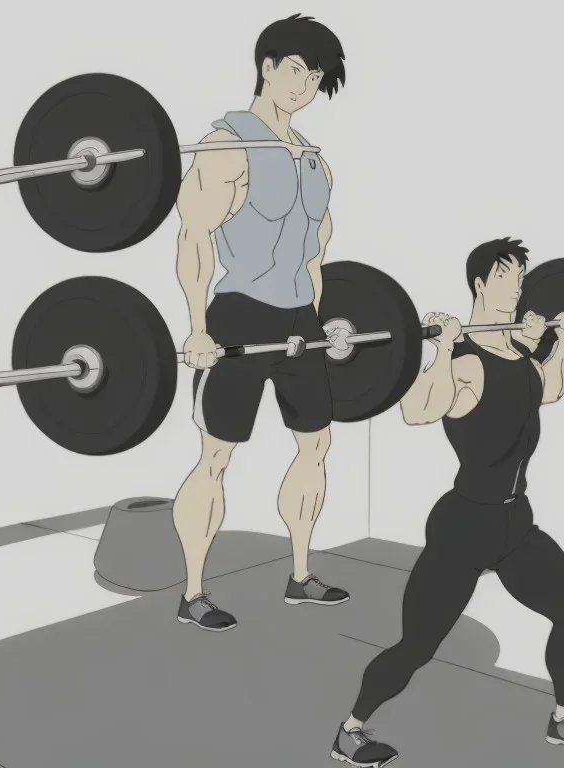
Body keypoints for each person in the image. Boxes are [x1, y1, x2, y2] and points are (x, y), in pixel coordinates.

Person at [330, 238, 564, 767]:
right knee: (416, 647)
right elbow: (416, 411)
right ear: (481, 285)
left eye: (520, 281)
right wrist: (441, 347)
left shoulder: (520, 351)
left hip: (515, 525)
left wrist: (563, 340)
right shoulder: (463, 361)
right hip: (464, 527)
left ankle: (563, 719)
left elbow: (550, 389)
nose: (516, 290)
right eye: (506, 279)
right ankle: (351, 730)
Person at [173, 14, 350, 632]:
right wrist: (197, 327)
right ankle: (193, 591)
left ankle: (300, 575)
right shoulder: (227, 146)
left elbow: (316, 254)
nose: (306, 85)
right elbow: (194, 236)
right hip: (239, 316)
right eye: (298, 69)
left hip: (301, 318)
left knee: (316, 445)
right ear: (268, 65)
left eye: (317, 76)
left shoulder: (315, 162)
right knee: (217, 454)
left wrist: (326, 324)